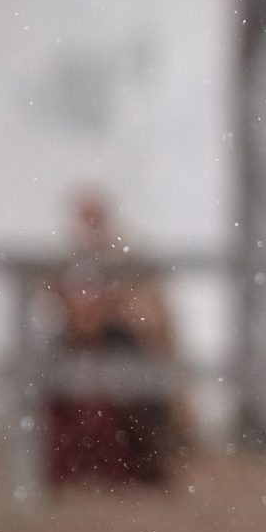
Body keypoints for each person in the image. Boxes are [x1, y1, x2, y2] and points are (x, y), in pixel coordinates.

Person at [42, 188, 182, 487]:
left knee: (122, 398)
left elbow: (151, 317)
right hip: (78, 346)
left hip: (120, 343)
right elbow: (53, 303)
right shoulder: (67, 259)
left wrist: (113, 312)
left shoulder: (128, 260)